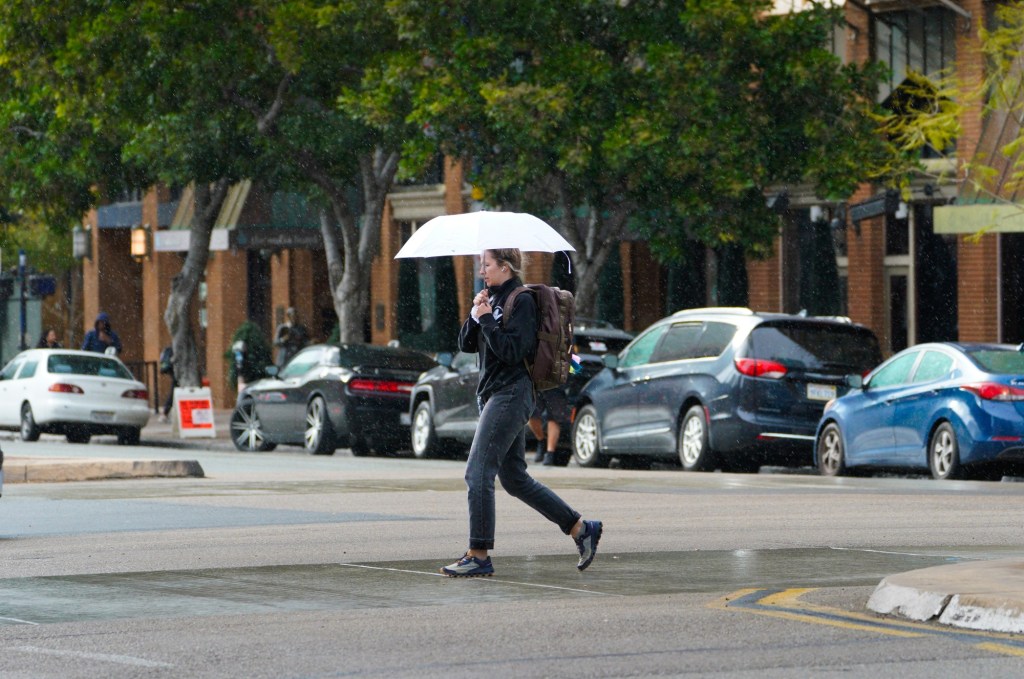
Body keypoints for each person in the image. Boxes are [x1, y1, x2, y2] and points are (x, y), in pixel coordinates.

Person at [440, 248, 602, 578]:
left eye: (487, 264)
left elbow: (514, 351)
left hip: (512, 393)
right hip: (493, 394)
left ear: (505, 266)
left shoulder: (522, 300)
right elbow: (466, 345)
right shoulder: (491, 299)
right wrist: (476, 314)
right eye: (481, 265)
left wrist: (488, 320)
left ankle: (479, 555)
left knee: (477, 472)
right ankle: (581, 528)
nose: (482, 270)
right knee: (514, 479)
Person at [528, 388, 570, 466]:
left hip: (556, 384)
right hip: (536, 385)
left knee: (554, 418)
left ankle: (550, 452)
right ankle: (542, 441)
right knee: (531, 415)